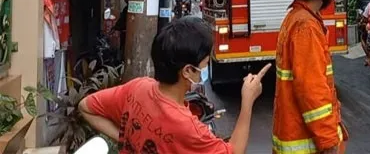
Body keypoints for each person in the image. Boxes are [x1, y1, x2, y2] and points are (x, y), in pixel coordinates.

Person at [78, 16, 270, 153]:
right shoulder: (186, 127)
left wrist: (125, 140)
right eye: (204, 63)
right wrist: (247, 101)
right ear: (187, 70)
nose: (206, 68)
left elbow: (85, 107)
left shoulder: (138, 87)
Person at [272, 0, 348, 154]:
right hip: (307, 141)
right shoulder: (306, 26)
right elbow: (311, 89)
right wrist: (328, 138)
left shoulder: (295, 18)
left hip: (293, 133)